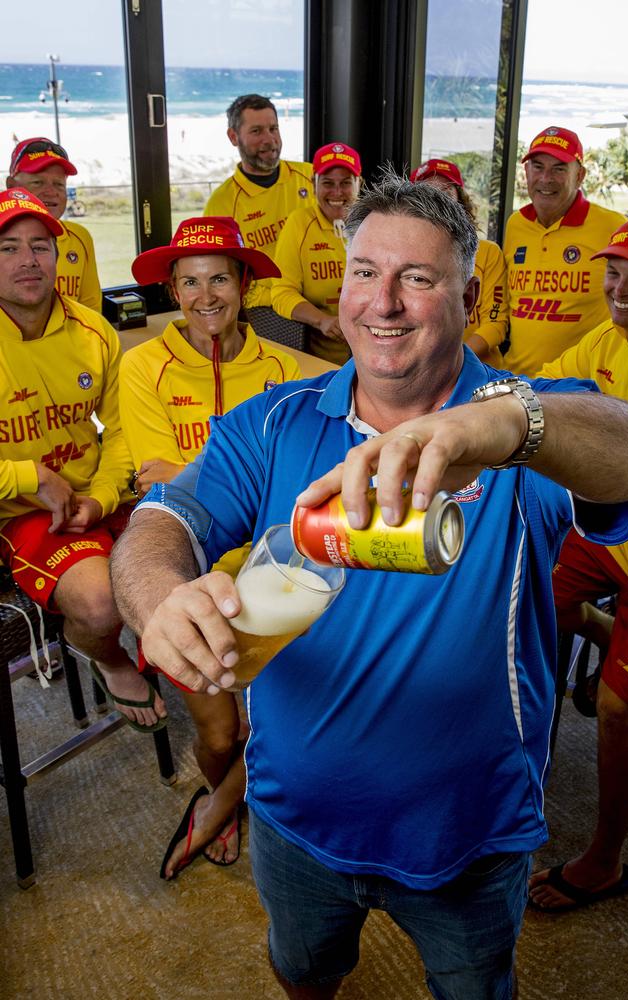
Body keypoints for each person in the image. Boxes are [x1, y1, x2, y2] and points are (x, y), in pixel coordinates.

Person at [110, 173, 628, 1000]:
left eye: (418, 279)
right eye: (365, 272)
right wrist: (159, 598)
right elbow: (164, 522)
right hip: (294, 815)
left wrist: (501, 425)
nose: (382, 303)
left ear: (468, 294)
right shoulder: (278, 419)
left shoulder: (524, 426)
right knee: (303, 971)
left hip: (469, 832)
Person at [121, 214, 301, 876]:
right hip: (189, 578)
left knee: (282, 725)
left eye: (220, 278)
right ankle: (223, 786)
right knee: (222, 731)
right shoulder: (143, 366)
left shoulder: (287, 368)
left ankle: (226, 803)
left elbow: (291, 484)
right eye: (191, 282)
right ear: (173, 290)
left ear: (245, 282)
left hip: (276, 576)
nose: (206, 297)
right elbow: (158, 483)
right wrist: (261, 484)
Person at [0, 187, 166, 732]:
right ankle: (106, 656)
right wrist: (31, 478)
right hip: (20, 511)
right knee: (100, 605)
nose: (28, 260)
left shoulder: (94, 329)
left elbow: (121, 431)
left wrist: (100, 496)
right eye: (8, 247)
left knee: (192, 544)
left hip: (94, 490)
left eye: (41, 246)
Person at [527, 216, 628, 913]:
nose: (621, 287)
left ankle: (605, 862)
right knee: (532, 600)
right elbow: (538, 387)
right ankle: (605, 637)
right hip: (604, 533)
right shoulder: (606, 338)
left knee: (614, 713)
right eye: (615, 271)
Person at [504, 126, 625, 376]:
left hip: (580, 389)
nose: (546, 179)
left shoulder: (613, 226)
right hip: (516, 381)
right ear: (526, 171)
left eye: (559, 168)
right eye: (538, 167)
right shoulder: (516, 225)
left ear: (579, 175)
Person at [204, 95, 313, 311]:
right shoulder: (222, 204)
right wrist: (284, 299)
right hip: (269, 311)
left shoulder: (313, 177)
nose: (269, 139)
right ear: (233, 137)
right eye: (256, 131)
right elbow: (217, 276)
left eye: (274, 128)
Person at [410, 157, 508, 367]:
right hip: (423, 373)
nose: (438, 202)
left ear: (460, 201)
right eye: (427, 194)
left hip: (482, 374)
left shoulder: (489, 253)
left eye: (445, 193)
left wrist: (451, 360)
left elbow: (495, 323)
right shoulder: (404, 256)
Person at [271, 141, 362, 365]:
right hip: (323, 360)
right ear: (314, 184)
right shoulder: (299, 224)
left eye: (346, 183)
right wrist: (322, 321)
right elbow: (281, 293)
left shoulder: (376, 223)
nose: (337, 192)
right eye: (328, 183)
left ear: (359, 183)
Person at [6, 137, 102, 312]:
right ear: (11, 187)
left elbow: (91, 307)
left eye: (59, 184)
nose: (51, 192)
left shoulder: (80, 237)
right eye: (38, 182)